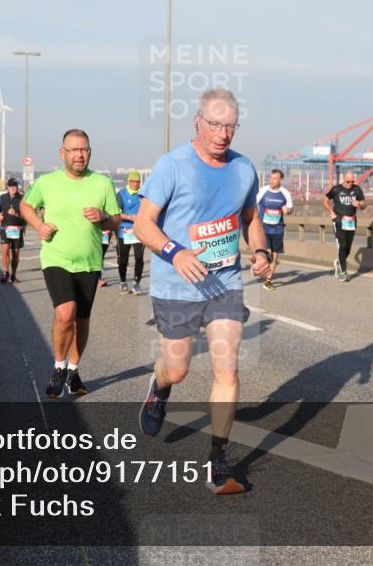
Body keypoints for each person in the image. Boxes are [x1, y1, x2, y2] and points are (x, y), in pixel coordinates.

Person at [134, 89, 272, 495]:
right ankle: (160, 388)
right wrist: (175, 253)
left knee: (227, 367)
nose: (222, 133)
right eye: (215, 124)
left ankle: (218, 458)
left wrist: (261, 250)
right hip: (176, 284)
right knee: (177, 369)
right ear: (198, 122)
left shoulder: (245, 169)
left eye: (230, 126)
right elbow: (143, 225)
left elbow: (251, 219)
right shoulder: (172, 165)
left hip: (224, 282)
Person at [20, 129, 121, 399]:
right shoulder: (47, 182)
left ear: (90, 153)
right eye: (74, 149)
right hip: (56, 257)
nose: (79, 154)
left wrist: (103, 216)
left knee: (82, 320)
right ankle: (58, 366)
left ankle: (74, 370)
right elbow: (25, 206)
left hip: (89, 262)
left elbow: (116, 220)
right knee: (65, 313)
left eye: (84, 149)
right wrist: (39, 225)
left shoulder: (103, 183)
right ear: (62, 153)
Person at [322, 170, 366, 281]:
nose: (350, 183)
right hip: (338, 220)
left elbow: (364, 204)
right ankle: (343, 273)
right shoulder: (336, 189)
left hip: (351, 221)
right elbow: (324, 199)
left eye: (352, 181)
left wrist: (360, 204)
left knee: (348, 249)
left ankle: (338, 262)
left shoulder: (357, 189)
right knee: (342, 246)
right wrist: (330, 211)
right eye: (348, 181)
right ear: (343, 179)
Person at [256, 169, 294, 290]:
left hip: (278, 228)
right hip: (264, 227)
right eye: (270, 178)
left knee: (275, 256)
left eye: (274, 178)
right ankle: (261, 266)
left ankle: (268, 280)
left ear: (280, 180)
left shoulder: (285, 193)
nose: (271, 180)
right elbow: (252, 204)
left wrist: (287, 210)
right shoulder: (263, 191)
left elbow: (290, 209)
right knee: (268, 253)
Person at [116, 171, 146, 295]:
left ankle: (136, 283)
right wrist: (131, 217)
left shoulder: (143, 194)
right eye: (133, 181)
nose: (135, 184)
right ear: (128, 182)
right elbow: (117, 214)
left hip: (139, 230)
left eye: (137, 181)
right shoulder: (121, 194)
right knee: (123, 259)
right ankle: (123, 282)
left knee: (139, 258)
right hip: (124, 231)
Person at [0, 178, 26, 284]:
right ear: (8, 188)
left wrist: (17, 214)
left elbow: (27, 214)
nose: (13, 188)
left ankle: (13, 274)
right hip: (5, 228)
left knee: (16, 253)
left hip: (17, 229)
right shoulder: (2, 197)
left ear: (17, 187)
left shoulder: (23, 198)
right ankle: (5, 272)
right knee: (5, 249)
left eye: (14, 186)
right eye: (10, 186)